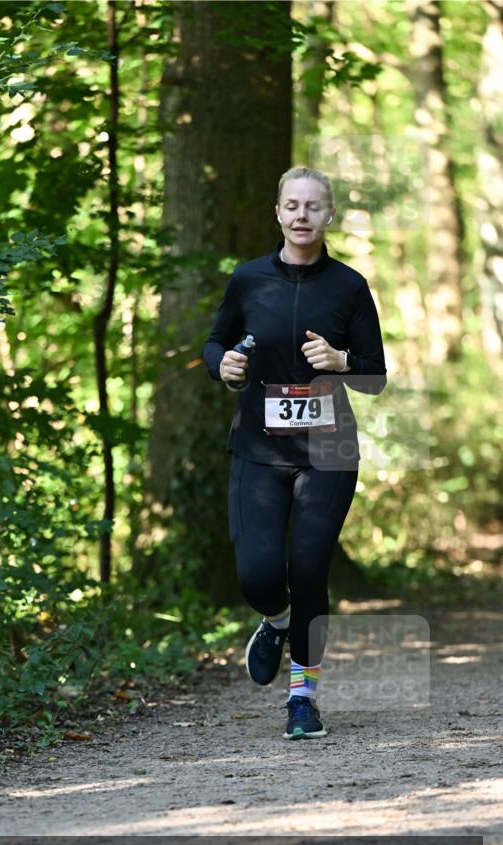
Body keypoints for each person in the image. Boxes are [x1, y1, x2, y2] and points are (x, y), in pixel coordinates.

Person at [202, 166, 387, 740]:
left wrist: (342, 363)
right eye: (291, 205)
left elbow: (375, 375)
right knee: (259, 576)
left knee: (308, 568)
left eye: (313, 206)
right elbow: (216, 343)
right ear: (278, 213)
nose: (302, 215)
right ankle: (276, 620)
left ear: (329, 215)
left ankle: (302, 696)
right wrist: (224, 367)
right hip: (259, 448)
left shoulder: (349, 286)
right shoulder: (249, 279)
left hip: (328, 448)